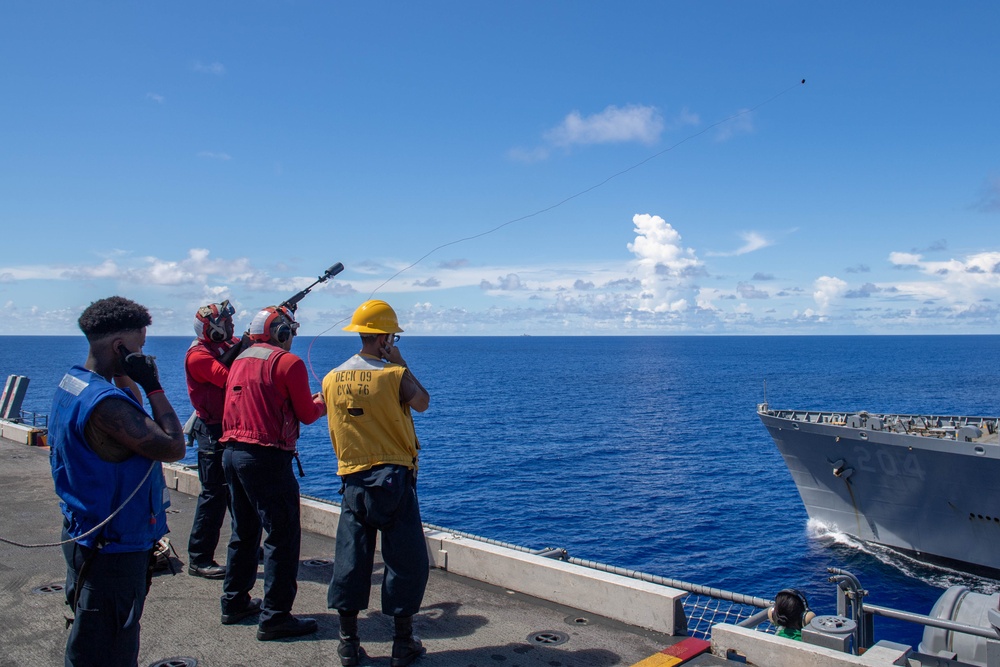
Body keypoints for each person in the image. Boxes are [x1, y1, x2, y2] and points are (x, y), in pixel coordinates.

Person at [50, 296, 186, 667]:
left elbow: (129, 404)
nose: (143, 354)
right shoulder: (107, 406)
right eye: (139, 347)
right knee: (108, 646)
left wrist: (127, 370)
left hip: (84, 532)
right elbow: (173, 446)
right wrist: (155, 385)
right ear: (120, 346)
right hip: (112, 548)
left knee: (91, 631)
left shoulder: (75, 382)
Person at [323, 299, 431, 667]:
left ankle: (348, 644)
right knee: (406, 561)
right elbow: (423, 403)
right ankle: (403, 644)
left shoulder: (331, 377)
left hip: (352, 480)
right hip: (394, 478)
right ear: (385, 336)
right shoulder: (393, 375)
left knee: (351, 560)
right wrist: (400, 361)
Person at [219, 305, 326, 641]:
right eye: (290, 330)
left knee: (244, 532)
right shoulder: (287, 362)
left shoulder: (240, 359)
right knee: (282, 537)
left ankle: (234, 603)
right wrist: (324, 401)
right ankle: (276, 616)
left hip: (232, 453)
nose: (293, 337)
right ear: (282, 333)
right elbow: (307, 415)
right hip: (266, 458)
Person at [184, 300, 248, 579]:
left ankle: (244, 544)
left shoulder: (223, 345)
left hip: (227, 427)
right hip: (211, 430)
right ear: (213, 329)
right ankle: (199, 558)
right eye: (227, 324)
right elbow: (229, 377)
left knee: (239, 492)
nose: (232, 327)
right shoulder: (199, 356)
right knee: (213, 495)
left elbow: (238, 350)